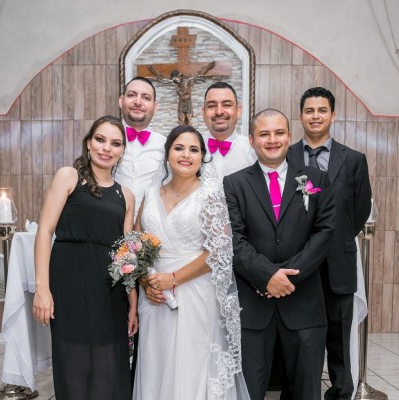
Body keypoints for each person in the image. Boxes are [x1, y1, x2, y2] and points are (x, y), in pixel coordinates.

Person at [224, 108, 336, 400]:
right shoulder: (233, 183)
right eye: (264, 134)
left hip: (304, 304)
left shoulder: (316, 179)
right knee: (249, 390)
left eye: (278, 132)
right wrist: (266, 276)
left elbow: (324, 233)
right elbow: (233, 238)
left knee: (306, 390)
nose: (271, 140)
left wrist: (286, 277)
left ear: (289, 136)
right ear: (251, 140)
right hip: (253, 305)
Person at [133, 125, 250, 400]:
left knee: (191, 362)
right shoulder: (150, 194)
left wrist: (173, 279)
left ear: (202, 157)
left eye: (194, 149)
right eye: (179, 148)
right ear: (168, 153)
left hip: (195, 290)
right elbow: (137, 243)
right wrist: (146, 281)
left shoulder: (210, 194)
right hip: (155, 295)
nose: (186, 155)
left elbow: (219, 251)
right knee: (154, 360)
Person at [32, 115, 137, 400]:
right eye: (100, 140)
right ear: (88, 143)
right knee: (74, 363)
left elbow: (126, 255)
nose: (107, 148)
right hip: (69, 282)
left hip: (109, 290)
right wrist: (42, 289)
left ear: (122, 151)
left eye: (115, 143)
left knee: (108, 365)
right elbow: (45, 232)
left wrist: (132, 303)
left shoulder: (126, 196)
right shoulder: (68, 176)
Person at [287, 87, 372, 400]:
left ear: (332, 115)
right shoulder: (287, 156)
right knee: (301, 339)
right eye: (309, 111)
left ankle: (339, 393)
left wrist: (333, 238)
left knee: (338, 338)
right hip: (297, 262)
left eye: (322, 110)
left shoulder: (354, 160)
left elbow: (360, 211)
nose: (315, 116)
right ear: (301, 116)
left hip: (338, 262)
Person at [115, 76, 166, 216]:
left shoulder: (166, 146)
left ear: (155, 107)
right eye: (131, 95)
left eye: (146, 98)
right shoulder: (103, 141)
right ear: (121, 100)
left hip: (150, 229)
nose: (138, 102)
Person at [201, 81, 256, 178]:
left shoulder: (253, 151)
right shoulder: (191, 149)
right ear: (203, 112)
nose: (219, 112)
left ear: (238, 111)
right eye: (211, 106)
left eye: (226, 105)